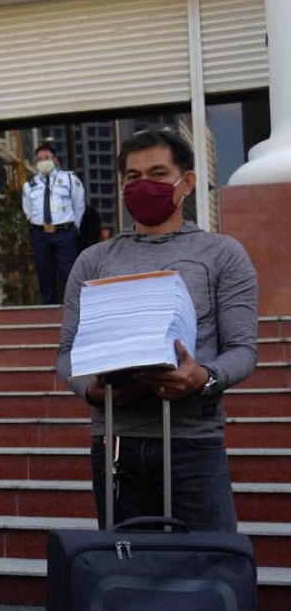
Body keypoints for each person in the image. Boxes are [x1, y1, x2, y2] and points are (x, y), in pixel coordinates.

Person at [56, 128, 258, 532]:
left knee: (209, 566)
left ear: (187, 182)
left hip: (193, 442)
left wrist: (202, 377)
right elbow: (67, 353)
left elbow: (242, 349)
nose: (144, 185)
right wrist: (91, 390)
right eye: (133, 177)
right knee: (127, 572)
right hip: (115, 444)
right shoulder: (93, 261)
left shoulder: (222, 254)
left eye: (158, 173)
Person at [22, 143, 86, 304]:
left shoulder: (69, 179)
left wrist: (73, 228)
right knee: (45, 275)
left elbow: (78, 205)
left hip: (64, 233)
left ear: (55, 160)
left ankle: (74, 309)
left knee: (68, 273)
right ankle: (48, 311)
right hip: (40, 234)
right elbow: (28, 211)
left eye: (46, 158)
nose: (43, 162)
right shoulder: (30, 185)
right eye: (39, 159)